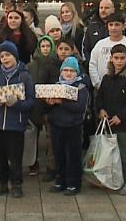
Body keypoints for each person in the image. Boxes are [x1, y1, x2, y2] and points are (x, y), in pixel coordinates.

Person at [0, 41, 36, 198]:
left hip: (16, 123)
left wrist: (17, 103)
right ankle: (1, 183)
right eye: (2, 56)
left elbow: (31, 101)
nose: (5, 59)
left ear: (15, 56)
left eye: (8, 55)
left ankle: (16, 184)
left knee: (15, 156)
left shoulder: (25, 75)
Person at [95, 43, 126, 195]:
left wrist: (121, 116)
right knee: (108, 152)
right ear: (111, 59)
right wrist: (100, 109)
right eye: (116, 58)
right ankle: (108, 178)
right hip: (107, 122)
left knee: (124, 153)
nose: (119, 61)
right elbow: (99, 97)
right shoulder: (107, 78)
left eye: (122, 58)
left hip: (123, 123)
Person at [43, 56, 90, 196]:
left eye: (72, 70)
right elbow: (46, 108)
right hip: (57, 125)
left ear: (77, 72)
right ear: (61, 72)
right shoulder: (55, 85)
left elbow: (80, 107)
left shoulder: (81, 87)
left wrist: (61, 102)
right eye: (66, 70)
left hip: (73, 125)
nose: (68, 73)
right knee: (59, 154)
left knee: (73, 156)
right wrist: (48, 102)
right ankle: (60, 181)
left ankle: (74, 183)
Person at [27, 35, 58, 177]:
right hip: (35, 105)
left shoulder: (57, 63)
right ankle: (32, 163)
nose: (45, 49)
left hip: (52, 106)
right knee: (33, 137)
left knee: (51, 138)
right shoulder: (31, 65)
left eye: (48, 46)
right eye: (43, 46)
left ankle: (52, 166)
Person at [88, 12, 126, 90]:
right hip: (101, 88)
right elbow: (92, 65)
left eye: (117, 24)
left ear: (123, 26)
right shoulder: (100, 44)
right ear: (107, 26)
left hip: (125, 90)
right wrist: (98, 84)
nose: (113, 28)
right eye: (111, 25)